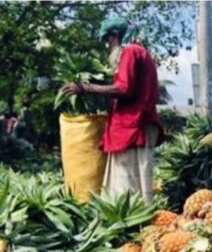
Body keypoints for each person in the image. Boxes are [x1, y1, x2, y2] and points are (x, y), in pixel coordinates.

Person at [62, 16, 162, 203]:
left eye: (108, 40)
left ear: (115, 35)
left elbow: (124, 88)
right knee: (136, 186)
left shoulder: (130, 52)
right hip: (135, 124)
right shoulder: (140, 52)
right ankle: (139, 225)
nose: (108, 45)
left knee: (128, 190)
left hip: (134, 125)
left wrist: (86, 88)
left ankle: (133, 228)